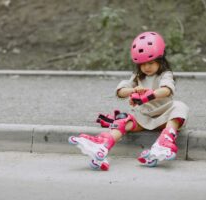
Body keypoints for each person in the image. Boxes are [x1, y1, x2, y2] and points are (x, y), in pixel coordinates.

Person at [69, 31, 189, 170]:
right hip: (143, 117)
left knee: (180, 107)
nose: (147, 67)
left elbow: (166, 90)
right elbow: (120, 91)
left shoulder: (165, 74)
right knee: (123, 120)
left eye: (151, 63)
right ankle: (103, 144)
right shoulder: (138, 76)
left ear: (161, 60)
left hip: (164, 116)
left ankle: (164, 142)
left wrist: (148, 96)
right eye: (143, 64)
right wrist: (133, 91)